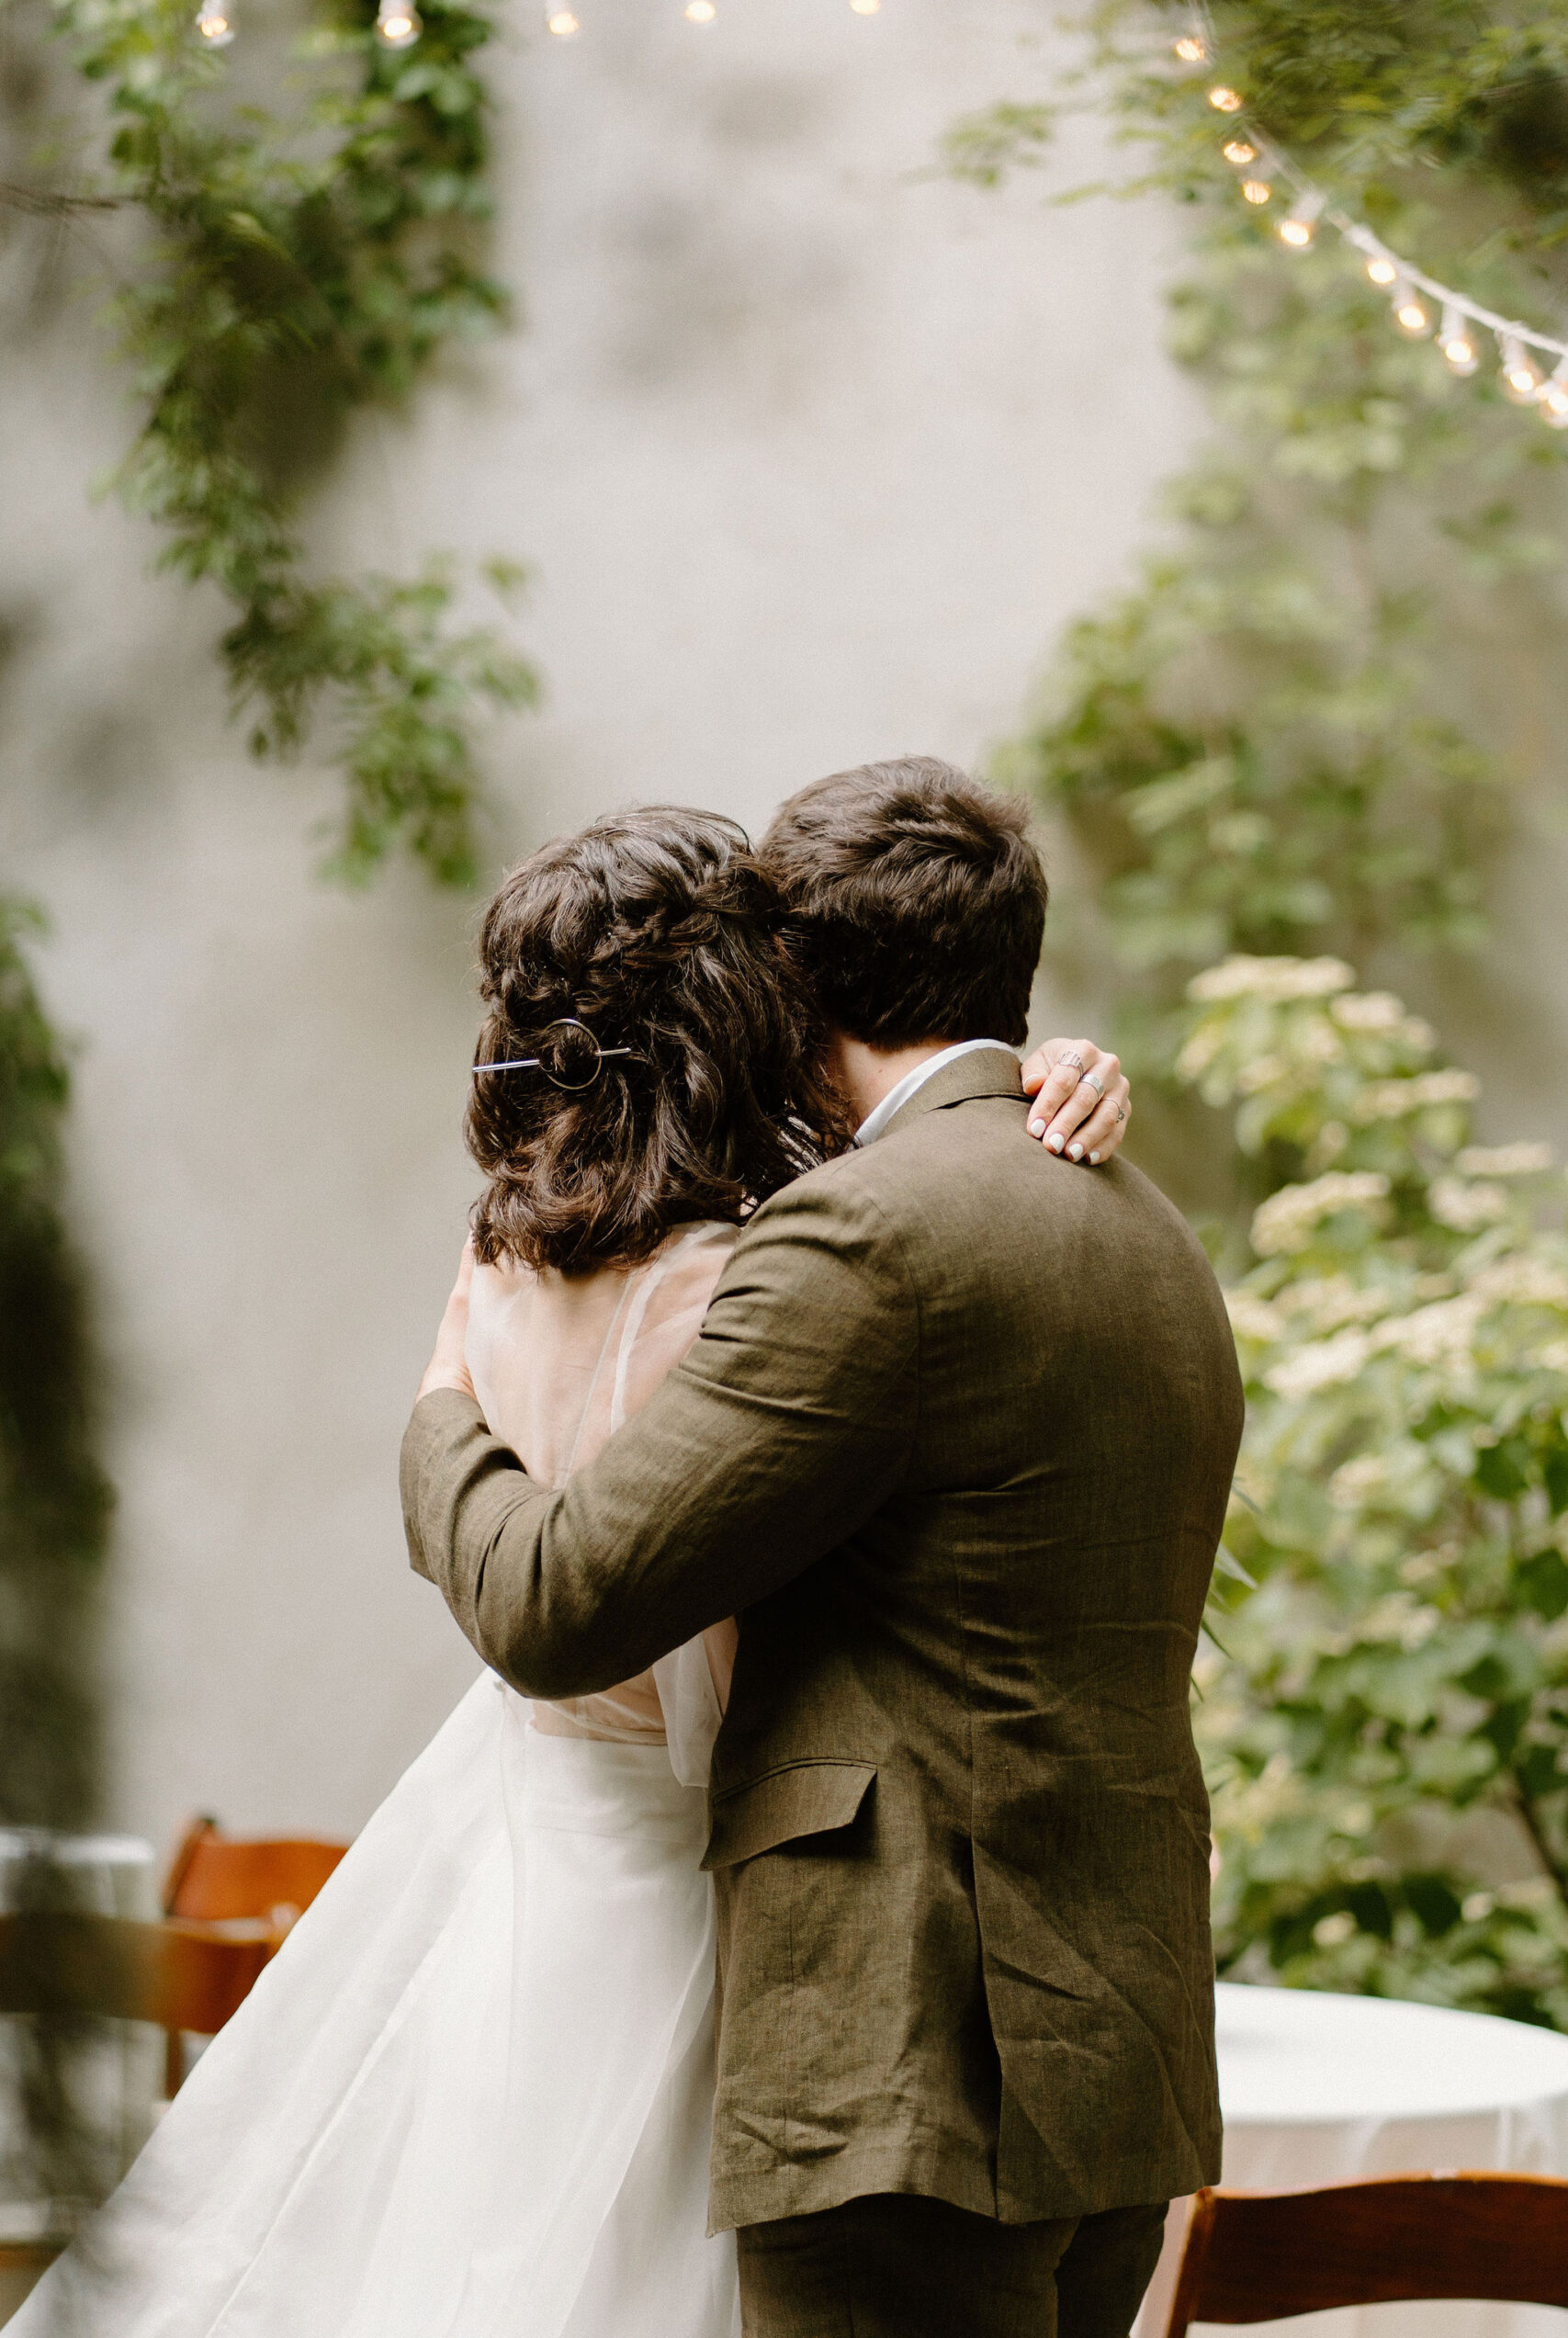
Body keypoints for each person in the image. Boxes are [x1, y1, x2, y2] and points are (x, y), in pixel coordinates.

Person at [12, 789, 1128, 2338]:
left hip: (519, 1866)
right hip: (709, 1907)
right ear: (734, 1010)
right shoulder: (759, 1272)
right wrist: (1022, 1099)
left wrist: (1009, 1090)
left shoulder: (505, 1253)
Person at [406, 757, 1245, 2338]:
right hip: (1118, 2056)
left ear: (798, 976)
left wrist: (444, 1414)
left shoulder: (863, 1236)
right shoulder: (1151, 1227)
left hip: (910, 2066)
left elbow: (563, 1602)